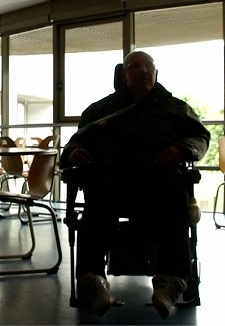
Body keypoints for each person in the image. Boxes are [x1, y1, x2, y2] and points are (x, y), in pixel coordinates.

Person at [61, 51, 210, 318]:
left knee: (175, 194)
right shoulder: (101, 110)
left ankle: (171, 281)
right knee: (96, 198)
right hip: (111, 181)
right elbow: (77, 140)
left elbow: (199, 136)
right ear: (123, 75)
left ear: (155, 73)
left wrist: (180, 150)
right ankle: (92, 280)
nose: (143, 71)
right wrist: (73, 153)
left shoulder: (174, 107)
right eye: (135, 67)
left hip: (159, 180)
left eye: (149, 66)